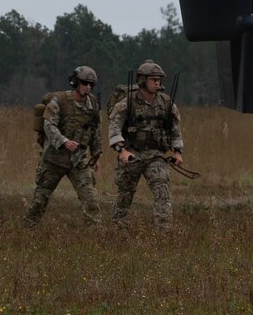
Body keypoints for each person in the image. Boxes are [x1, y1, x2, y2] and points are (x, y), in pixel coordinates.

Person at [107, 60, 183, 227]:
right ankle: (118, 229)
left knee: (162, 192)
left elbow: (175, 128)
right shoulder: (128, 103)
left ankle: (164, 232)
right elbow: (114, 127)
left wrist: (177, 151)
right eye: (153, 79)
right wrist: (121, 150)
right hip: (132, 155)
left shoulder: (166, 103)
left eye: (159, 79)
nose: (157, 82)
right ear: (142, 81)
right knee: (125, 194)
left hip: (155, 156)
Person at [23, 65, 102, 225]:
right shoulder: (59, 101)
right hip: (53, 159)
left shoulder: (93, 104)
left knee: (91, 200)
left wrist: (96, 155)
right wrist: (64, 141)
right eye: (85, 83)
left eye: (91, 85)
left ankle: (96, 238)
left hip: (78, 160)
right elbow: (48, 125)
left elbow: (96, 130)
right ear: (75, 82)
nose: (88, 87)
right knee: (40, 201)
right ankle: (26, 230)